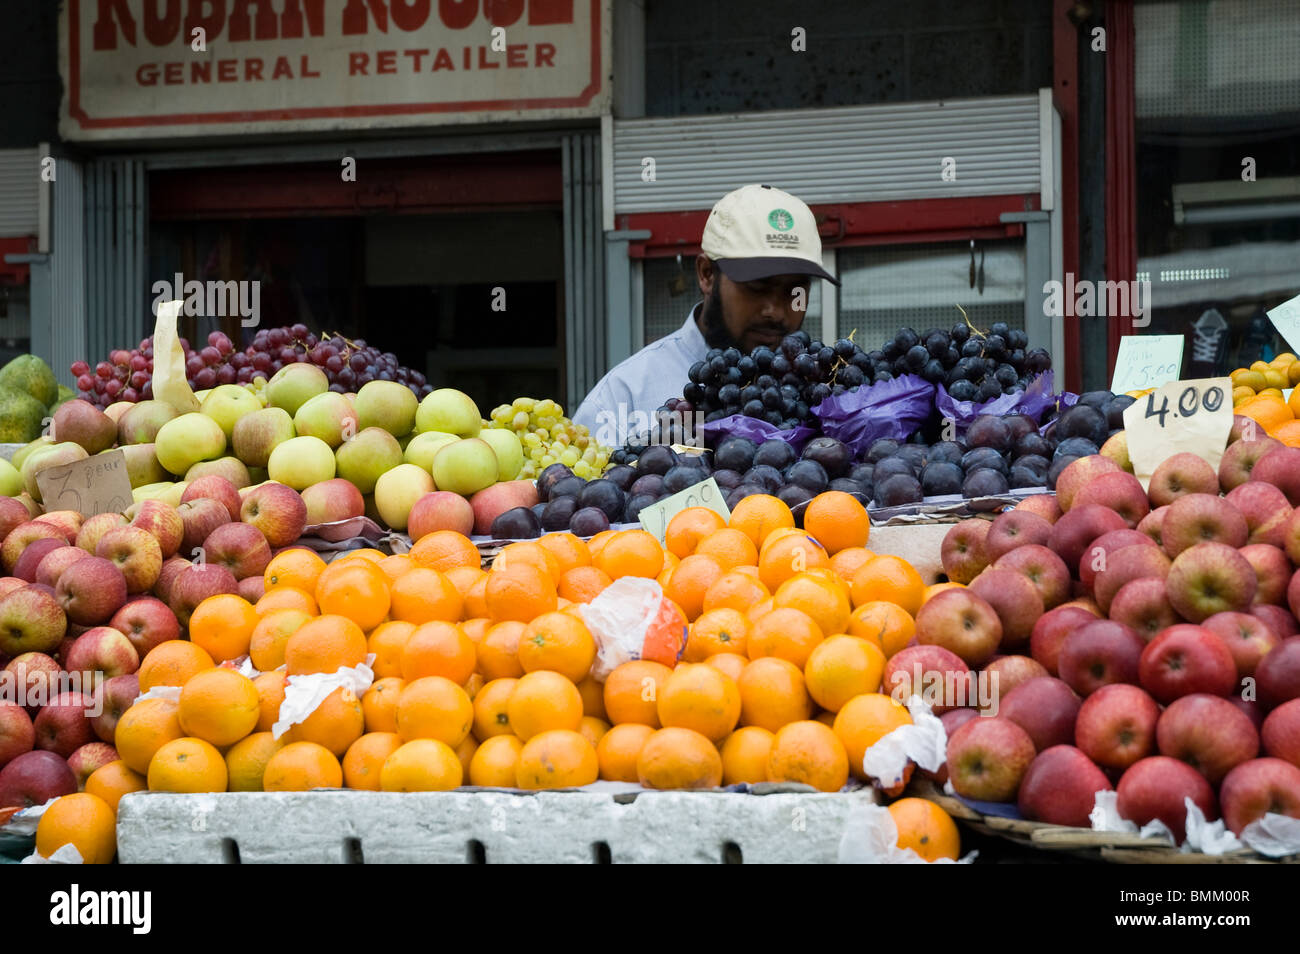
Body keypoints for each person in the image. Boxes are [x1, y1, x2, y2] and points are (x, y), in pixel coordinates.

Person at [573, 184, 840, 449]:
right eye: (757, 287)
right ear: (706, 274)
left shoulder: (828, 390)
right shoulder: (623, 398)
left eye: (795, 291)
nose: (776, 310)